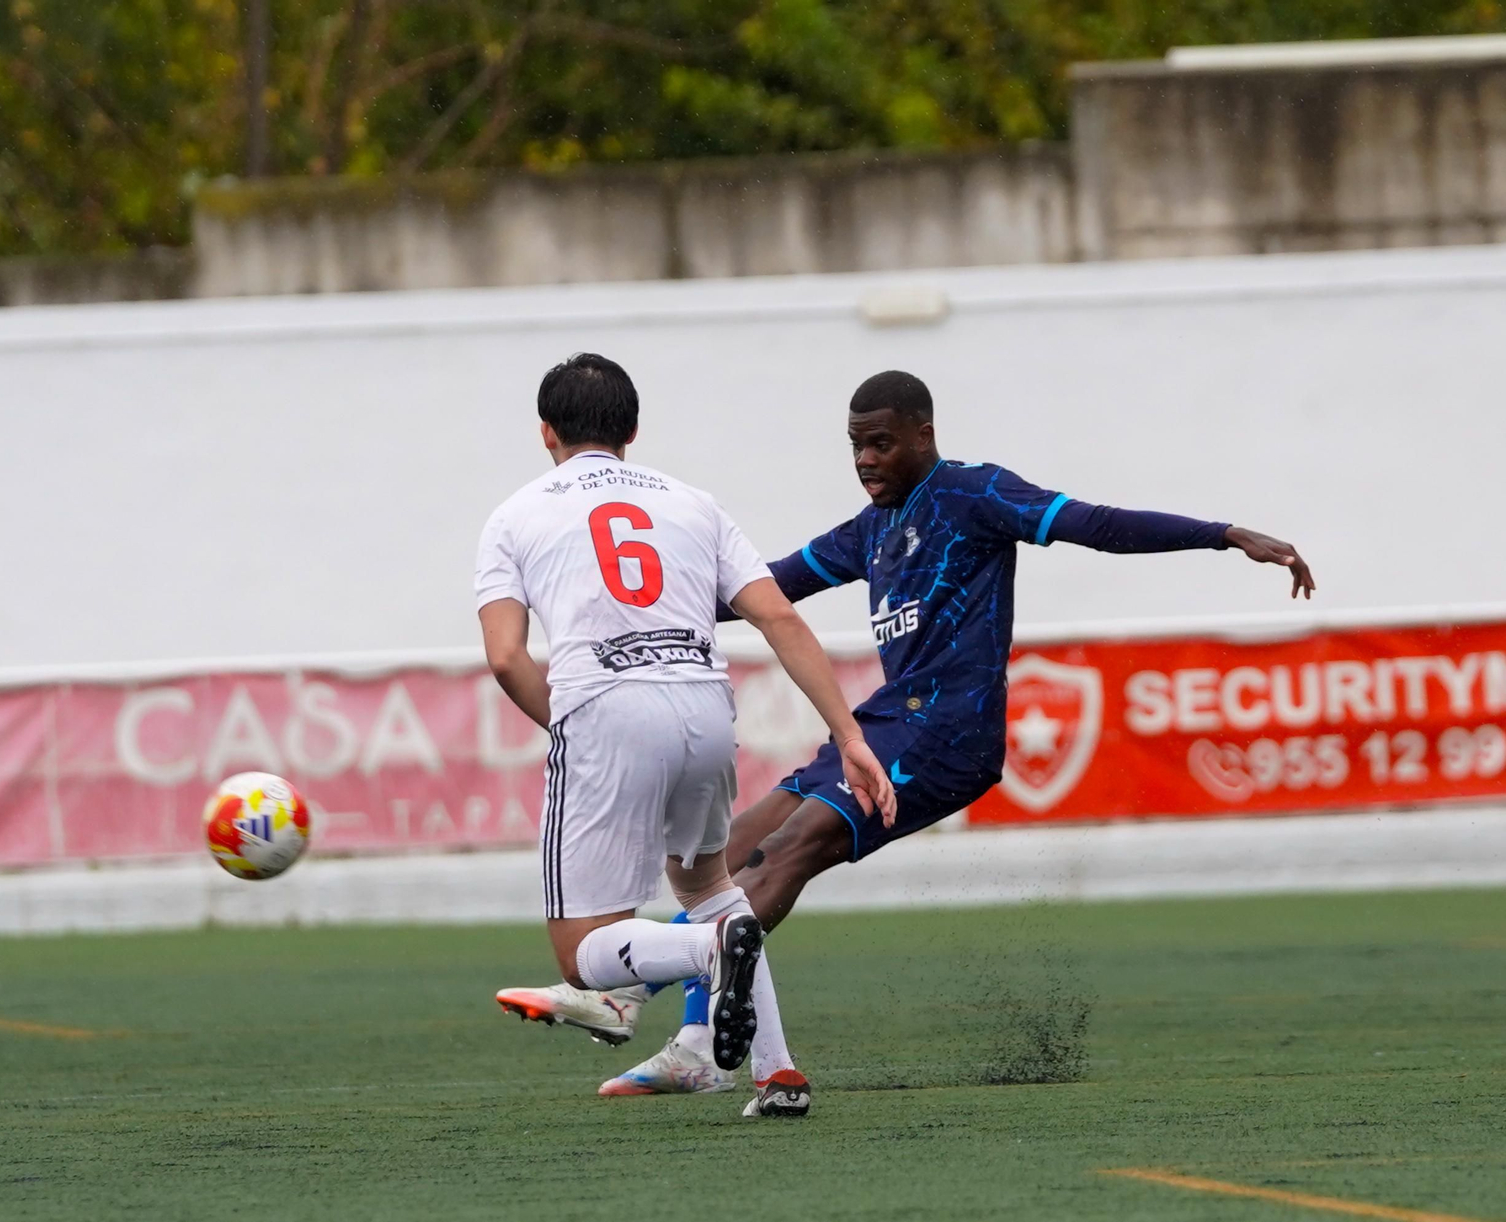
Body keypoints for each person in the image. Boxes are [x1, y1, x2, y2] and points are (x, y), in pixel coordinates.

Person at [496, 368, 1316, 1098]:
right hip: (886, 723)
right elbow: (753, 593)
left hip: (948, 734)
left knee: (790, 854)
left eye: (881, 444)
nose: (866, 462)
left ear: (924, 433)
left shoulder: (975, 494)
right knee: (732, 854)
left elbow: (1092, 521)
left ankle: (640, 995)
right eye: (855, 447)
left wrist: (1222, 532)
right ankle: (712, 1046)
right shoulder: (870, 529)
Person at [476, 353, 897, 1119]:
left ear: (546, 434)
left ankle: (706, 956)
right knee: (708, 888)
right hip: (705, 707)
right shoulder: (694, 504)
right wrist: (848, 731)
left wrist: (572, 724)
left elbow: (505, 655)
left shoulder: (515, 515)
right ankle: (779, 1075)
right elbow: (777, 615)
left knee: (581, 953)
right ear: (633, 429)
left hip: (605, 706)